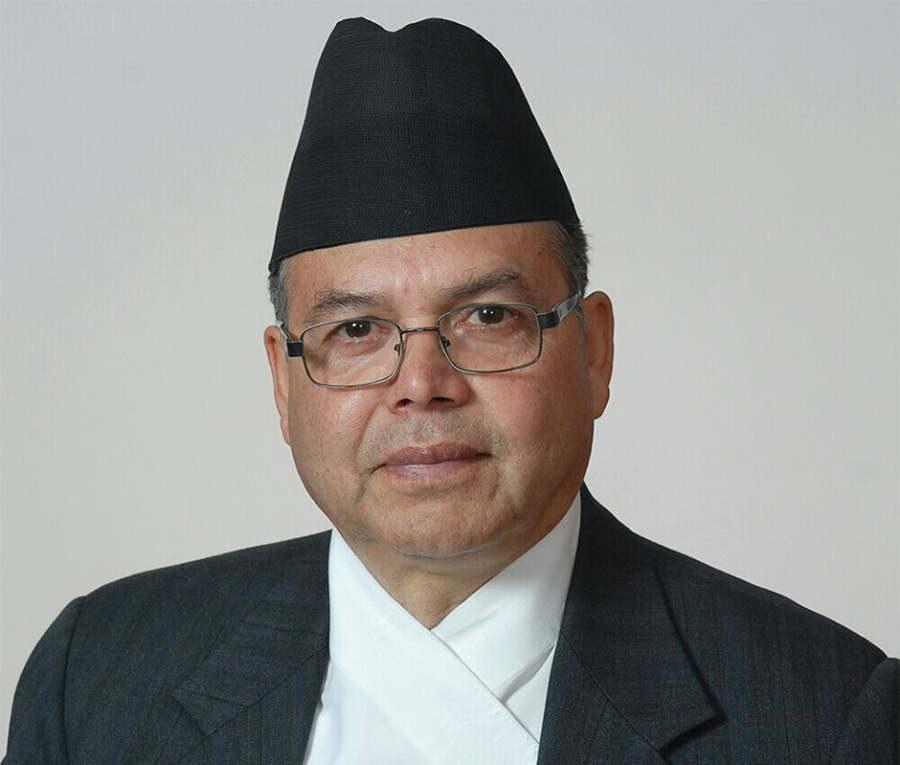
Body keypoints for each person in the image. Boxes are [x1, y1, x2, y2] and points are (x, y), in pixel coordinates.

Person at [5, 17, 897, 765]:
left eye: (488, 317)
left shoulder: (823, 714)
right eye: (357, 330)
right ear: (282, 379)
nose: (421, 386)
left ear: (593, 350)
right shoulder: (97, 683)